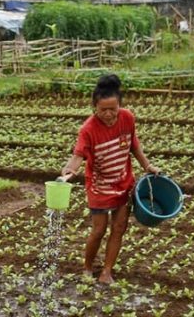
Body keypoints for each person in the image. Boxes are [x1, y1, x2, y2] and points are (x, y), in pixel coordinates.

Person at [61, 74, 160, 284]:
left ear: (120, 105)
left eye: (112, 109)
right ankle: (87, 268)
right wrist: (69, 171)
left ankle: (107, 271)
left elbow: (134, 145)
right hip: (99, 186)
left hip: (123, 183)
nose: (108, 114)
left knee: (118, 228)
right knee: (98, 230)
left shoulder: (127, 118)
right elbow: (78, 155)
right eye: (102, 110)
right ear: (94, 107)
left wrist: (147, 166)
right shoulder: (88, 129)